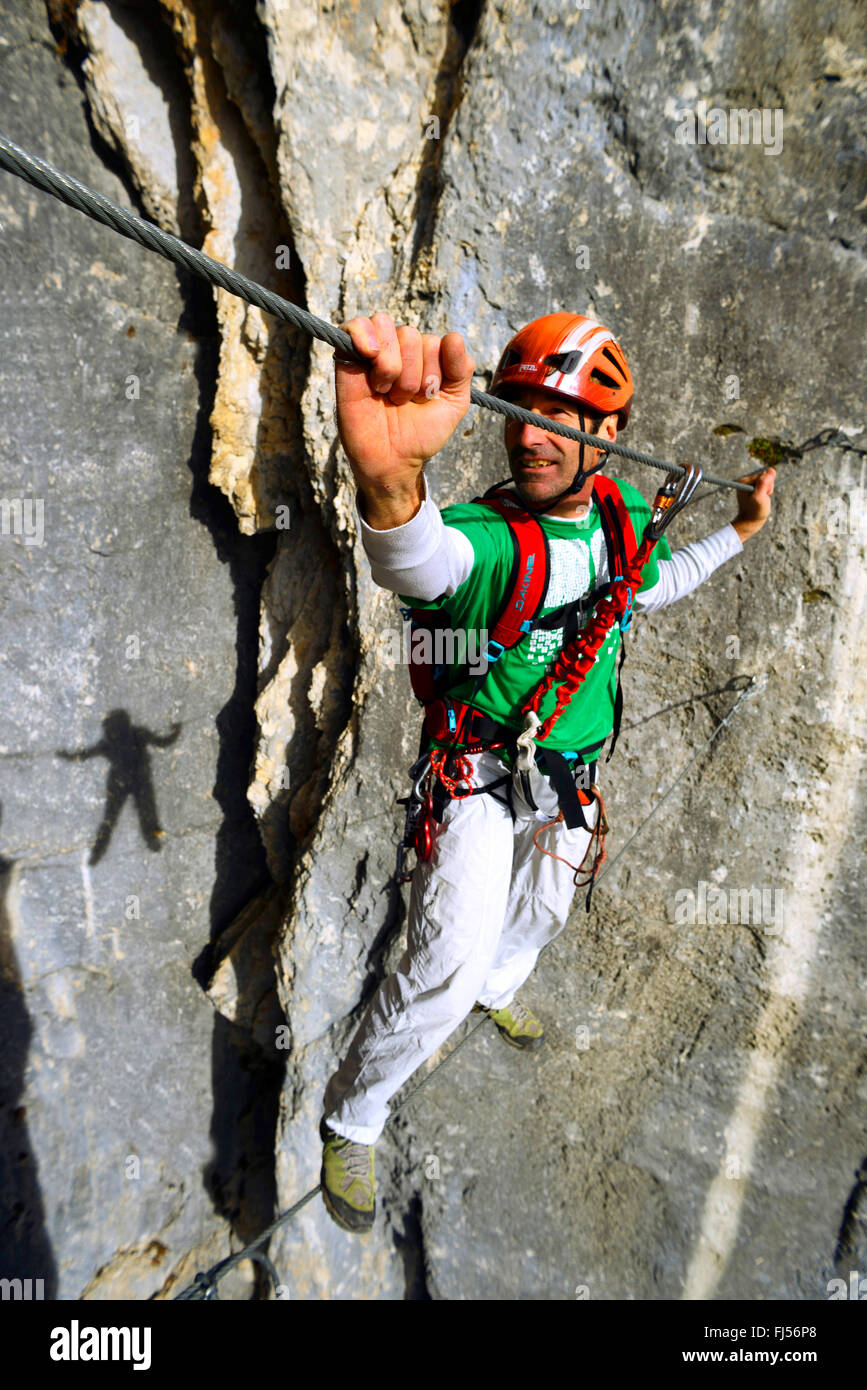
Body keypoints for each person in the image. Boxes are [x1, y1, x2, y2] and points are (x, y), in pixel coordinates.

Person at [318, 310, 775, 1234]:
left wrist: (739, 530)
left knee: (544, 910)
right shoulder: (491, 536)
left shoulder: (616, 518)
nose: (529, 434)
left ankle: (498, 990)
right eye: (516, 409)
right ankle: (351, 1119)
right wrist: (390, 482)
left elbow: (654, 584)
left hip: (565, 773)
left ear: (607, 437)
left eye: (556, 417)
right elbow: (422, 562)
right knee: (440, 967)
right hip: (479, 781)